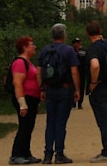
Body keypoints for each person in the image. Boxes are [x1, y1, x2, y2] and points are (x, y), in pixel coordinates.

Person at [39, 24, 81, 164]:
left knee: (50, 121)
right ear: (63, 35)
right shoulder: (68, 50)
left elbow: (40, 71)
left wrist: (42, 88)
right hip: (64, 88)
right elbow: (74, 71)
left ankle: (47, 155)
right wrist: (77, 89)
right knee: (61, 122)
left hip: (50, 89)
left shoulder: (45, 50)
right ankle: (59, 154)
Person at [86, 20, 107, 162]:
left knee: (103, 121)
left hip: (100, 88)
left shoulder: (93, 48)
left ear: (87, 33)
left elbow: (95, 65)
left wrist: (93, 82)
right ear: (100, 31)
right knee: (106, 120)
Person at [10, 36, 42, 164]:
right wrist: (22, 104)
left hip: (32, 99)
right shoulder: (19, 62)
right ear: (24, 47)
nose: (34, 47)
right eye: (31, 44)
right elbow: (17, 83)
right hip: (24, 98)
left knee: (29, 127)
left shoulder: (28, 62)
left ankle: (26, 153)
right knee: (24, 127)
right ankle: (16, 154)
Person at [72, 37, 88, 109]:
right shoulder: (71, 51)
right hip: (74, 71)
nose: (78, 44)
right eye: (76, 43)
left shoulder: (83, 51)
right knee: (73, 87)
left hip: (82, 72)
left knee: (81, 87)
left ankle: (80, 103)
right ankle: (73, 102)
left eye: (79, 42)